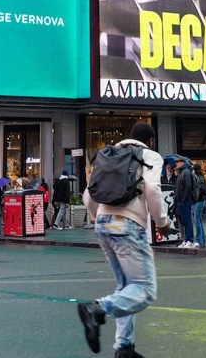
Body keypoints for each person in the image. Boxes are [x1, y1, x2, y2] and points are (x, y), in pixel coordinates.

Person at [77, 121, 169, 356]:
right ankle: (98, 309)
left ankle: (124, 347)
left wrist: (99, 217)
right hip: (128, 225)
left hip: (102, 224)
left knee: (125, 288)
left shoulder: (108, 154)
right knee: (145, 290)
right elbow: (151, 188)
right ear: (151, 140)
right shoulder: (149, 155)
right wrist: (162, 222)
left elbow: (88, 194)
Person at [174, 158, 195, 248]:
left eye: (178, 162)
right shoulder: (182, 172)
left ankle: (189, 240)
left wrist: (183, 199)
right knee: (184, 221)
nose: (176, 164)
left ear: (182, 162)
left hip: (185, 200)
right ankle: (186, 240)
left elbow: (188, 186)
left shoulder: (185, 172)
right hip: (181, 200)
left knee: (187, 221)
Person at [192, 163, 206, 247]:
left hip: (199, 200)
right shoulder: (201, 177)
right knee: (199, 220)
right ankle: (202, 240)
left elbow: (201, 190)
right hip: (201, 200)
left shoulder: (198, 178)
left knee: (196, 220)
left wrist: (195, 196)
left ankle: (198, 239)